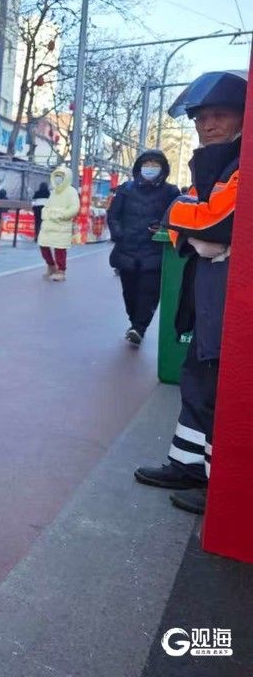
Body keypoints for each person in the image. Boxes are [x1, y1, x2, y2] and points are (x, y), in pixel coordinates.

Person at [134, 71, 244, 515]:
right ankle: (188, 464)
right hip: (208, 288)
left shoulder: (239, 164)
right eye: (201, 118)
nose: (208, 125)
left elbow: (216, 223)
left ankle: (220, 483)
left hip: (229, 295)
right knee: (198, 376)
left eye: (220, 115)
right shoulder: (214, 162)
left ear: (243, 117)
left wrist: (187, 217)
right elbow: (184, 221)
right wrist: (189, 221)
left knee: (219, 386)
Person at [106, 149, 180, 346]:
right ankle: (135, 324)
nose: (150, 168)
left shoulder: (171, 192)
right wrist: (119, 234)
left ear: (163, 168)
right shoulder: (126, 189)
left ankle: (139, 328)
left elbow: (177, 217)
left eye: (155, 164)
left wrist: (162, 226)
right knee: (129, 293)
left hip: (155, 252)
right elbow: (113, 215)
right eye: (146, 164)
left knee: (149, 293)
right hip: (127, 250)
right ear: (139, 167)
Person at [37, 165, 79, 281]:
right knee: (43, 245)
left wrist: (61, 215)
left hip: (61, 225)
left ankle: (61, 271)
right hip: (48, 225)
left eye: (60, 176)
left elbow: (74, 208)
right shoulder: (54, 192)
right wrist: (45, 213)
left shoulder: (71, 191)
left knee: (60, 249)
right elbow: (47, 206)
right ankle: (51, 266)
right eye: (56, 176)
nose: (58, 178)